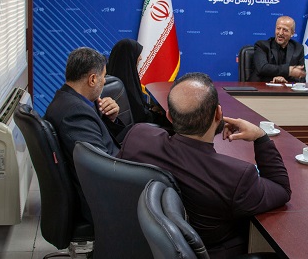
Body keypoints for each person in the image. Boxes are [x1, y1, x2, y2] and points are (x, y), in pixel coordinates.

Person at [118, 72, 291, 259]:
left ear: (169, 116)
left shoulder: (137, 137)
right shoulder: (236, 177)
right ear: (218, 113)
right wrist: (261, 137)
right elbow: (281, 189)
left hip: (141, 246)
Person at [44, 47, 124, 218]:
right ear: (92, 79)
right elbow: (100, 167)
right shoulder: (74, 113)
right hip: (103, 201)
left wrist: (110, 119)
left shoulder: (71, 100)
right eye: (103, 76)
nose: (104, 81)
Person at [106, 38, 170, 127]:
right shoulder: (126, 81)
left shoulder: (118, 75)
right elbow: (139, 116)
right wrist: (156, 114)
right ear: (129, 56)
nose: (140, 58)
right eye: (137, 54)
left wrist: (151, 108)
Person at [251, 15, 305, 83]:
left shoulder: (298, 48)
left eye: (285, 30)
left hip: (286, 88)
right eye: (278, 28)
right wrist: (288, 71)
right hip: (263, 87)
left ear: (292, 33)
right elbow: (262, 68)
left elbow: (301, 75)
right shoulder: (262, 46)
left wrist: (284, 80)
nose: (280, 33)